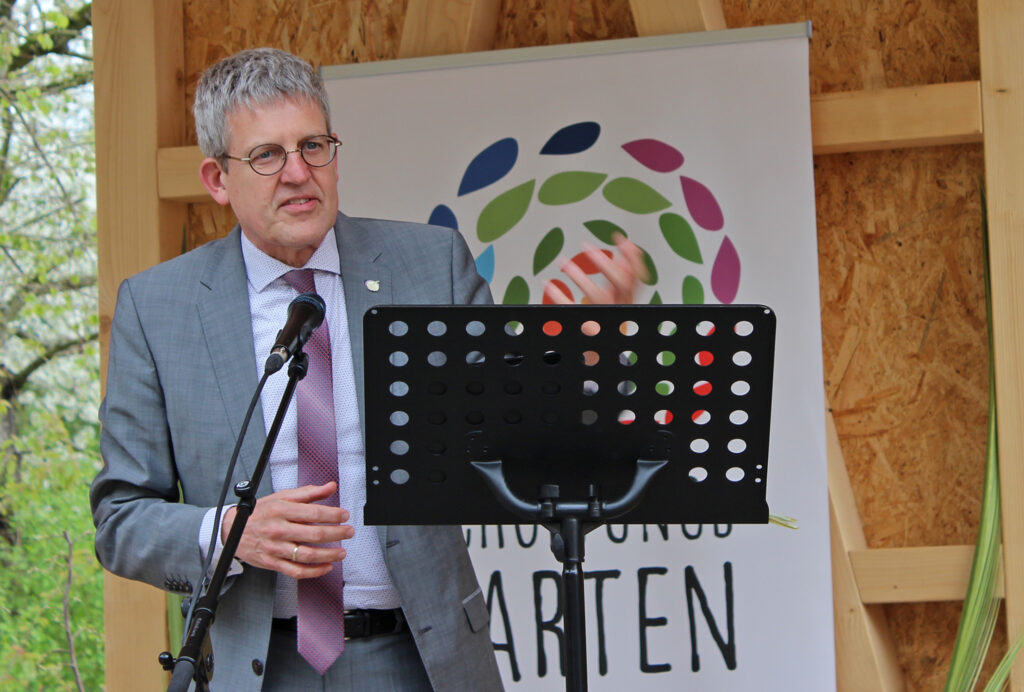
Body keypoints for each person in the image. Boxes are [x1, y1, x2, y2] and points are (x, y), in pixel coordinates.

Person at [91, 47, 646, 691]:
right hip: (256, 666)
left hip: (417, 658)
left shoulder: (428, 265)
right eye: (267, 155)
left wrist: (585, 348)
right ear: (217, 179)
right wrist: (230, 532)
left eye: (314, 146)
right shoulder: (158, 307)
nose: (299, 173)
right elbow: (121, 520)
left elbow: (521, 437)